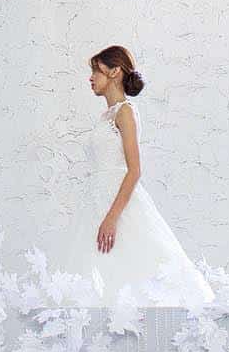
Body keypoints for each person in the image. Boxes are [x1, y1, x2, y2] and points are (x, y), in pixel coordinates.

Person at [62, 45, 213, 304]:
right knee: (100, 272)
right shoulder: (106, 116)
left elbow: (134, 170)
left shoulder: (125, 112)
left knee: (136, 269)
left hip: (117, 204)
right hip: (95, 201)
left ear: (114, 72)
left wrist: (112, 217)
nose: (90, 78)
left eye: (96, 71)